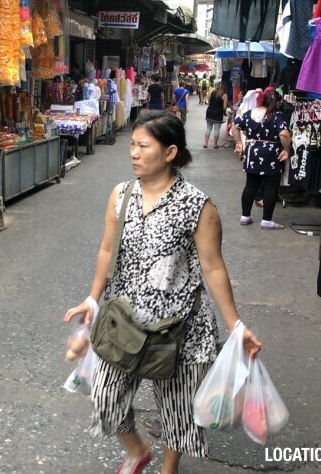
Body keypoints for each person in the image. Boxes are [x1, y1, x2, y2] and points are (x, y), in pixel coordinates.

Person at [64, 111, 262, 474]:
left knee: (179, 412)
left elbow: (213, 266)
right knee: (105, 398)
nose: (134, 154)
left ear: (170, 153)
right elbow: (108, 250)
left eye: (143, 146)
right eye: (132, 146)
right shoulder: (120, 195)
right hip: (125, 322)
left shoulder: (197, 205)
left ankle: (168, 468)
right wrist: (93, 298)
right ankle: (138, 450)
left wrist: (235, 325)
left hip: (180, 329)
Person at [231, 88, 291, 230]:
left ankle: (245, 216)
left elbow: (235, 125)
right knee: (271, 187)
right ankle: (267, 220)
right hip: (271, 155)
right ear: (277, 103)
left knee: (251, 185)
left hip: (252, 153)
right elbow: (283, 134)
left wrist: (239, 143)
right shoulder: (277, 116)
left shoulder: (250, 113)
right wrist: (287, 149)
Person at [203, 82, 228, 149]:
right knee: (216, 129)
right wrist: (224, 113)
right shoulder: (224, 95)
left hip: (209, 111)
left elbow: (209, 100)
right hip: (218, 113)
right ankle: (214, 144)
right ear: (224, 88)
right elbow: (224, 107)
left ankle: (205, 143)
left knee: (208, 128)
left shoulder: (213, 92)